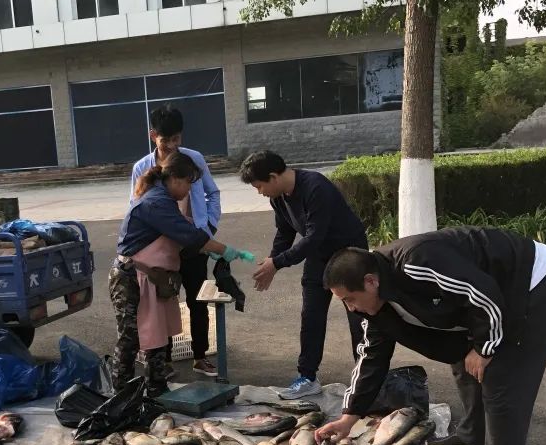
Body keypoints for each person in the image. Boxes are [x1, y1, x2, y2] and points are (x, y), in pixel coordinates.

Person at [313, 227, 546, 445]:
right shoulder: (373, 306)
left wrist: (483, 348)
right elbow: (371, 360)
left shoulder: (417, 262)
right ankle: (473, 434)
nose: (351, 309)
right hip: (493, 298)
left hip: (538, 282)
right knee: (461, 356)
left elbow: (481, 292)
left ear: (370, 281)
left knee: (503, 376)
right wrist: (347, 418)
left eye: (349, 299)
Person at [112, 151, 252, 396]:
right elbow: (189, 236)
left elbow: (188, 232)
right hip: (131, 278)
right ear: (175, 179)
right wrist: (226, 250)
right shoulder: (156, 202)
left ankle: (157, 390)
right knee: (131, 339)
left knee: (157, 335)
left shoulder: (164, 199)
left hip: (153, 278)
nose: (189, 190)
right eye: (188, 183)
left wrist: (216, 251)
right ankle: (120, 395)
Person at [240, 150, 368, 400]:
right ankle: (307, 377)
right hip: (318, 257)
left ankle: (366, 378)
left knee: (358, 318)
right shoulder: (278, 197)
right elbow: (284, 233)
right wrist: (271, 260)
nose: (260, 192)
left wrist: (277, 263)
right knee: (311, 316)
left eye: (259, 186)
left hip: (348, 256)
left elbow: (312, 237)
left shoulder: (315, 187)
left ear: (273, 176)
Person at [130, 105, 222, 377]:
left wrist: (209, 225)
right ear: (152, 136)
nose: (172, 146)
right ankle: (164, 360)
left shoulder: (194, 159)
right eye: (165, 140)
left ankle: (200, 356)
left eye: (176, 139)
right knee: (162, 302)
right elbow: (135, 204)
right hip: (160, 249)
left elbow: (212, 193)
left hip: (194, 243)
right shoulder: (142, 168)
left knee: (198, 300)